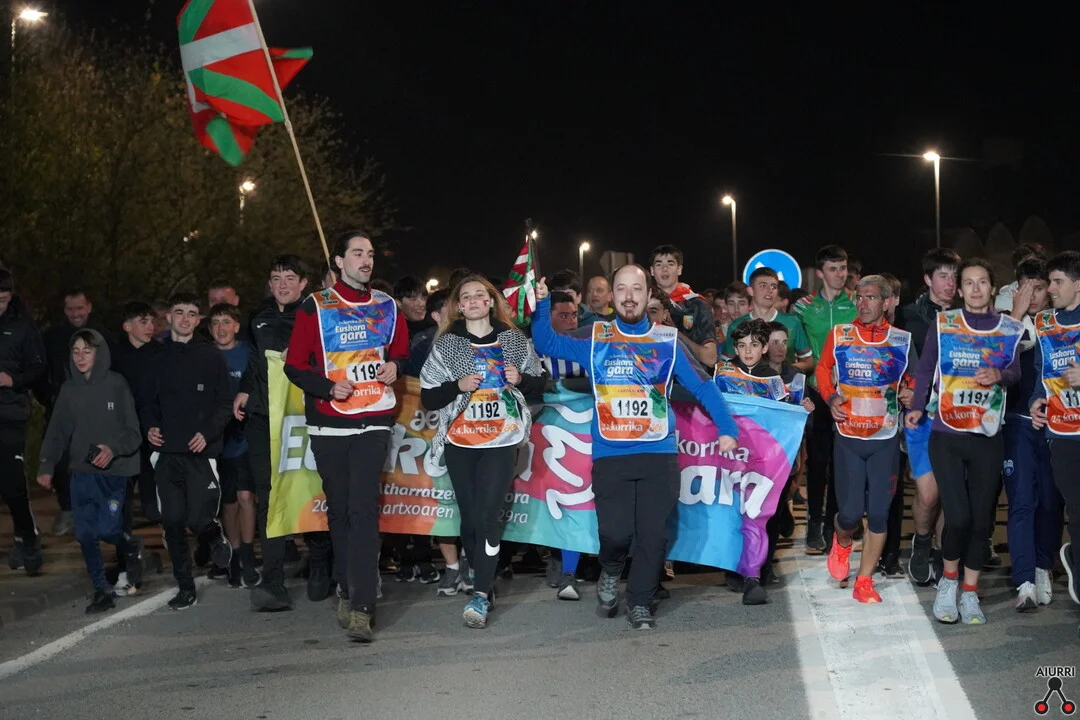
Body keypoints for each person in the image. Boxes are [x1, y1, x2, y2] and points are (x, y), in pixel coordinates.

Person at [532, 265, 740, 630]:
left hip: (658, 454)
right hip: (611, 455)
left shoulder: (667, 340)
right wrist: (542, 304)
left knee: (653, 535)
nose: (629, 296)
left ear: (648, 295)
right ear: (613, 296)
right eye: (622, 289)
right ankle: (611, 569)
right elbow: (548, 344)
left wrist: (727, 428)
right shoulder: (596, 337)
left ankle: (640, 600)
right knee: (616, 534)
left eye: (637, 289)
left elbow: (704, 386)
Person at [284, 231, 409, 642]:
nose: (366, 260)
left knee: (362, 509)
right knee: (339, 511)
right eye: (358, 253)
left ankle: (363, 605)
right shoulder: (315, 306)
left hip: (374, 419)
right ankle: (345, 585)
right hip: (329, 423)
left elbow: (400, 352)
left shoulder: (387, 305)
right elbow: (294, 366)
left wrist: (395, 367)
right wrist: (326, 387)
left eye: (370, 253)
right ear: (339, 261)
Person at [419, 276, 544, 627]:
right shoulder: (448, 344)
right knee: (471, 519)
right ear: (459, 306)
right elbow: (429, 396)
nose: (474, 300)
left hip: (501, 441)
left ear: (490, 302)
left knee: (488, 516)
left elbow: (540, 383)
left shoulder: (513, 340)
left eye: (480, 295)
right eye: (466, 296)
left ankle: (480, 595)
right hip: (461, 442)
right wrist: (457, 386)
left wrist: (520, 379)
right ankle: (481, 573)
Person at [908, 259, 1022, 625]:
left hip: (987, 436)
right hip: (947, 434)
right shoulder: (944, 324)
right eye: (968, 282)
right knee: (957, 517)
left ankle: (970, 593)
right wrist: (917, 407)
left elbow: (1015, 372)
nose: (975, 289)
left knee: (980, 521)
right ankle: (949, 582)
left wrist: (999, 374)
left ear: (993, 288)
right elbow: (926, 368)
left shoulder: (1008, 328)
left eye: (982, 282)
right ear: (959, 290)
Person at [234, 254, 329, 611]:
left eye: (290, 278)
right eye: (276, 278)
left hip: (305, 415)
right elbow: (254, 362)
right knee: (269, 494)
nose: (283, 284)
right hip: (263, 417)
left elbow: (331, 361)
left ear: (304, 283)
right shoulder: (258, 316)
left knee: (309, 487)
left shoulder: (317, 315)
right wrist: (245, 389)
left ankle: (320, 561)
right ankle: (273, 580)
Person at [816, 276, 914, 603]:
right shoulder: (840, 334)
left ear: (886, 302)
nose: (863, 303)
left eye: (871, 298)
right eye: (859, 297)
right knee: (849, 514)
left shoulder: (901, 340)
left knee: (879, 514)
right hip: (849, 437)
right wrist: (830, 397)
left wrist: (911, 392)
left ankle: (865, 580)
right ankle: (842, 541)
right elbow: (822, 369)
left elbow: (915, 379)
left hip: (885, 439)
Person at [36, 329, 144, 613]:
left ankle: (130, 545)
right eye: (76, 351)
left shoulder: (116, 384)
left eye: (87, 351)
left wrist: (112, 449)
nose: (81, 357)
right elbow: (57, 432)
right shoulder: (69, 390)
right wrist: (46, 465)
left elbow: (134, 433)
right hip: (81, 472)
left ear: (99, 352)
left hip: (114, 472)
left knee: (108, 528)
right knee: (85, 534)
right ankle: (101, 589)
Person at [142, 292, 234, 611]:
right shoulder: (156, 357)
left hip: (200, 454)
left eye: (191, 313)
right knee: (172, 521)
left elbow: (225, 404)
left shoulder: (211, 357)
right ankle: (185, 587)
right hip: (166, 454)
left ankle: (213, 535)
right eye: (179, 312)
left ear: (198, 320)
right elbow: (147, 403)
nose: (185, 318)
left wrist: (207, 434)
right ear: (168, 317)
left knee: (197, 519)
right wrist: (150, 426)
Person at [894, 247, 960, 585]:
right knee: (929, 494)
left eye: (954, 276)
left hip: (959, 416)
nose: (950, 282)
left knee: (950, 493)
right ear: (927, 279)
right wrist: (904, 389)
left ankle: (941, 552)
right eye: (942, 275)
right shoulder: (907, 316)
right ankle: (921, 542)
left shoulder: (968, 316)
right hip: (921, 417)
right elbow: (892, 359)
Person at [1001, 257, 1059, 611]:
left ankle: (1042, 566)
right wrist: (1016, 314)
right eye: (1027, 288)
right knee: (1022, 501)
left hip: (1056, 427)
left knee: (1051, 503)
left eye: (1040, 288)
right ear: (1016, 289)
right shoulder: (1005, 322)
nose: (1034, 295)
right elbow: (994, 358)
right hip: (1017, 424)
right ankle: (1024, 580)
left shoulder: (1060, 323)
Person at [793, 245, 857, 554]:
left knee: (841, 462)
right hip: (816, 392)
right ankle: (814, 524)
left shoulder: (857, 303)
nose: (839, 274)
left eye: (843, 268)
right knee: (818, 461)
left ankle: (834, 523)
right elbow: (795, 345)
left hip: (849, 393)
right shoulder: (804, 307)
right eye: (833, 269)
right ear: (820, 273)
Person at [1029, 250, 1080, 612]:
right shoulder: (1044, 322)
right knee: (1076, 508)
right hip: (1062, 431)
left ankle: (1074, 556)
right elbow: (1041, 369)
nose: (1050, 288)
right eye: (1050, 281)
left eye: (1058, 281)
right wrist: (1037, 399)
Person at [39, 289, 107, 536]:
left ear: (89, 307)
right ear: (65, 310)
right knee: (60, 461)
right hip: (61, 411)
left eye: (80, 308)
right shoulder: (52, 338)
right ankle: (68, 509)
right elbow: (40, 372)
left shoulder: (104, 336)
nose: (76, 314)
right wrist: (50, 398)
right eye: (71, 309)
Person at [207, 303, 259, 588]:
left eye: (226, 322)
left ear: (237, 326)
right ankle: (235, 554)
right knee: (228, 503)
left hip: (246, 435)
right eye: (215, 323)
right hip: (218, 438)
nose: (221, 328)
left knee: (246, 496)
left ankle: (248, 555)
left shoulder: (249, 353)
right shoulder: (205, 356)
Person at [0, 268, 46, 575]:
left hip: (10, 413)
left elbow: (38, 368)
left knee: (12, 481)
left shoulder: (22, 327)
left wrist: (12, 380)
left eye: (2, 300)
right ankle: (20, 537)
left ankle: (28, 536)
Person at [112, 301, 162, 528]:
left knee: (154, 501)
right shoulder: (113, 356)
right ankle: (124, 542)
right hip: (123, 433)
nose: (150, 327)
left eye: (152, 321)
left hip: (153, 432)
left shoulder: (161, 353)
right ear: (127, 326)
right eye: (143, 322)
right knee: (121, 493)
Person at [724, 267, 813, 371]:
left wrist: (784, 371)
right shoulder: (736, 325)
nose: (769, 290)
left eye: (773, 286)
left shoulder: (792, 322)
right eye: (763, 286)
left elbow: (809, 361)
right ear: (751, 290)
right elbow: (726, 365)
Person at [649, 245, 717, 368]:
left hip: (690, 377)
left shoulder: (698, 305)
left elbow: (710, 358)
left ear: (679, 269)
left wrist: (675, 334)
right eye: (659, 264)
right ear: (652, 271)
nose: (664, 269)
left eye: (670, 264)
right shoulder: (643, 305)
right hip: (652, 375)